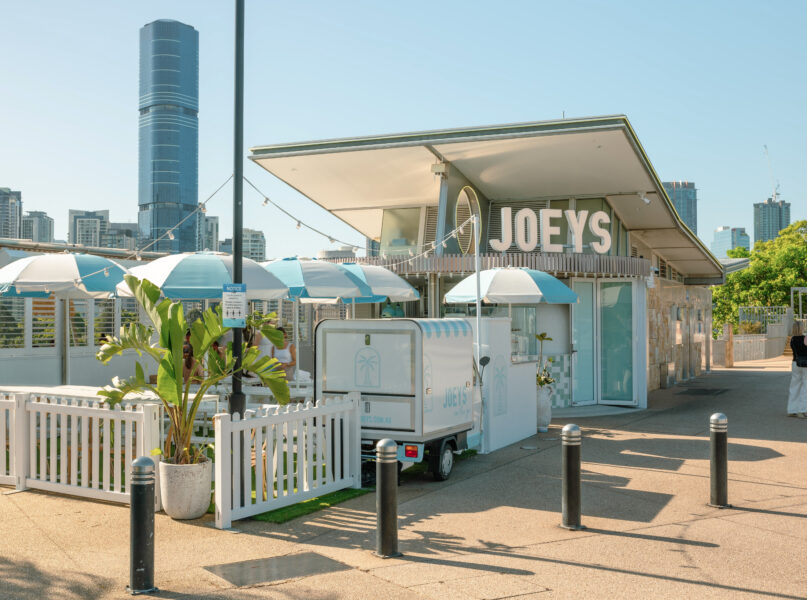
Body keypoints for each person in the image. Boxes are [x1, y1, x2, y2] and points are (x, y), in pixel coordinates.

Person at [787, 320, 807, 418]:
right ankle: (802, 410)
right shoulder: (805, 338)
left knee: (794, 386)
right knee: (805, 387)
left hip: (795, 363)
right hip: (805, 364)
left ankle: (792, 409)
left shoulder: (792, 339)